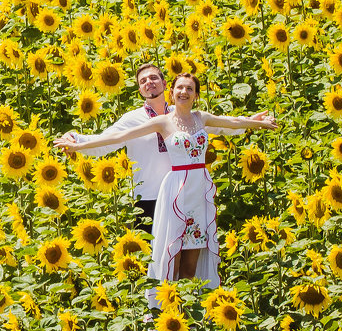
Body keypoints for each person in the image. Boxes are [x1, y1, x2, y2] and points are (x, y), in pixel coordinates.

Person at [55, 73, 277, 292]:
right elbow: (115, 137)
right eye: (143, 81)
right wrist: (78, 143)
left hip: (197, 193)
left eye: (189, 88)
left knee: (192, 258)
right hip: (165, 195)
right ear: (170, 91)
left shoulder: (198, 117)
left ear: (166, 85)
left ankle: (191, 310)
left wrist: (255, 122)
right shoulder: (152, 120)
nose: (184, 92)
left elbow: (228, 123)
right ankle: (161, 310)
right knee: (165, 257)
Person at [57, 63, 172, 235]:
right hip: (147, 199)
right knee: (150, 257)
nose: (149, 82)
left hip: (178, 195)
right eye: (143, 80)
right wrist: (75, 138)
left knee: (180, 254)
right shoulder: (133, 119)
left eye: (154, 77)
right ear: (140, 90)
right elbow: (105, 141)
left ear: (164, 83)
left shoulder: (178, 115)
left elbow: (207, 126)